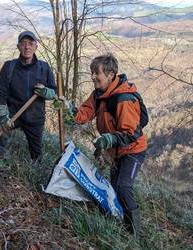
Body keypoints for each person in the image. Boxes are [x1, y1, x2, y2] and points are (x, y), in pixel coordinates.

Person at [65, 53, 147, 237]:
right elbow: (83, 114)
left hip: (133, 150)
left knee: (123, 187)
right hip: (115, 152)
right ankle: (116, 219)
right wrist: (67, 109)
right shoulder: (99, 93)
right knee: (114, 186)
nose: (93, 77)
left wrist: (109, 139)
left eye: (96, 73)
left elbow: (131, 134)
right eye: (92, 72)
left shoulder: (124, 99)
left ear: (110, 75)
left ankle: (134, 234)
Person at [0, 30, 56, 163]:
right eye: (23, 43)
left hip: (35, 117)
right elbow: (0, 93)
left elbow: (55, 92)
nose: (27, 47)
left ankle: (35, 169)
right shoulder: (9, 67)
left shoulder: (44, 68)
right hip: (14, 114)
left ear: (36, 46)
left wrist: (47, 92)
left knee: (37, 156)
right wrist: (3, 116)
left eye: (31, 43)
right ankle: (0, 155)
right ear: (18, 46)